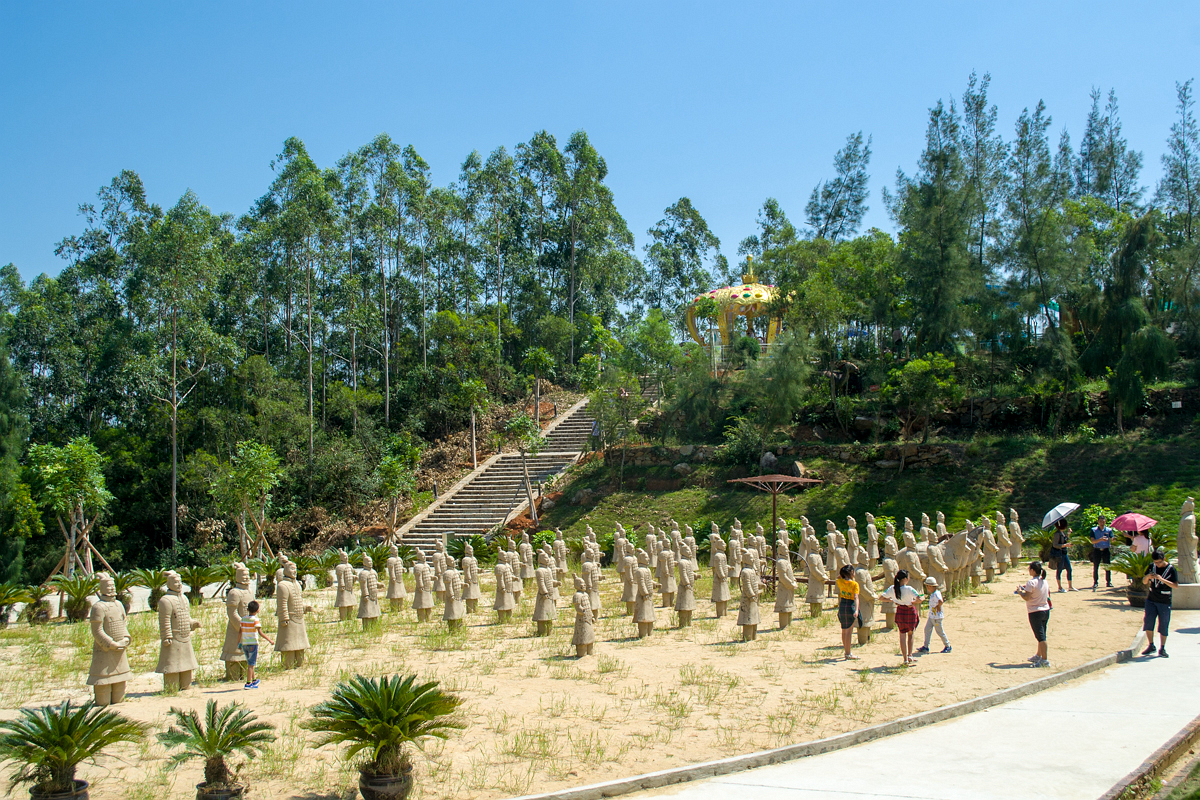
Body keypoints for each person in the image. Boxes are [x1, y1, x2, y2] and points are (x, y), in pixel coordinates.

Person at [1141, 550, 1179, 658]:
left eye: (1159, 562)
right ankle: (1151, 645)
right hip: (1151, 599)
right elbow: (1144, 581)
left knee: (1163, 624)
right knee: (1148, 622)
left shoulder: (1171, 569)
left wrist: (1162, 579)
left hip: (1164, 601)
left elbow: (1175, 586)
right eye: (1156, 562)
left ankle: (1162, 648)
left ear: (1164, 559)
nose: (1157, 564)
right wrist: (1148, 577)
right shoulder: (1151, 567)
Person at [881, 569, 922, 665]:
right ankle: (910, 655)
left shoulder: (892, 588)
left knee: (902, 635)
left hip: (900, 610)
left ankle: (905, 658)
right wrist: (912, 602)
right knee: (911, 634)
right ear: (905, 579)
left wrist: (892, 600)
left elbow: (881, 597)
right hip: (909, 611)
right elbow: (920, 599)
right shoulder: (909, 589)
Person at [1016, 560, 1051, 668]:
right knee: (1042, 634)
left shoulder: (1031, 582)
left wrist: (1020, 592)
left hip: (1035, 611)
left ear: (1032, 570)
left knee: (1041, 637)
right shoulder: (1044, 581)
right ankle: (1039, 655)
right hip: (1045, 610)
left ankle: (1044, 660)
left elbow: (1027, 597)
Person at [239, 600, 274, 689]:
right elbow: (260, 632)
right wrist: (269, 640)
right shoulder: (256, 620)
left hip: (244, 644)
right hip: (253, 644)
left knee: (250, 662)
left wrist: (238, 642)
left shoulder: (243, 619)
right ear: (257, 610)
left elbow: (240, 631)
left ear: (247, 609)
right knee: (251, 664)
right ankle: (248, 683)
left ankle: (254, 680)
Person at [915, 576, 950, 654]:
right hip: (931, 617)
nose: (927, 588)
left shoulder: (936, 594)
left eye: (928, 586)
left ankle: (947, 646)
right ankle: (926, 646)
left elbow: (941, 601)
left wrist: (938, 606)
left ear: (931, 586)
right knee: (927, 629)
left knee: (939, 631)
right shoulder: (933, 594)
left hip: (937, 617)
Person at [835, 565, 860, 661]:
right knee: (849, 631)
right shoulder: (854, 584)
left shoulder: (840, 582)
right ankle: (848, 653)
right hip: (850, 605)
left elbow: (838, 577)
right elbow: (856, 597)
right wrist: (857, 610)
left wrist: (842, 575)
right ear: (851, 573)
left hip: (842, 605)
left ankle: (846, 651)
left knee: (844, 630)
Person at [1089, 515, 1114, 590]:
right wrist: (1100, 539)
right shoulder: (1093, 530)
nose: (1102, 523)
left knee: (1107, 566)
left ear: (1105, 521)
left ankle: (1108, 582)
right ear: (1098, 522)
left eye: (1103, 521)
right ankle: (1095, 582)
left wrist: (1113, 539)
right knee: (1096, 566)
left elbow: (1112, 537)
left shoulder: (1109, 530)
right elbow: (1092, 541)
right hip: (1097, 550)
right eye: (1100, 521)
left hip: (1106, 550)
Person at [1050, 519, 1075, 592]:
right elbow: (1055, 545)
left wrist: (1068, 534)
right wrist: (1065, 545)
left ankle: (1070, 586)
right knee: (1059, 569)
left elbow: (1064, 540)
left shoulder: (1062, 533)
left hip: (1064, 553)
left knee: (1069, 569)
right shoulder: (1057, 534)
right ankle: (1060, 587)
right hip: (1059, 554)